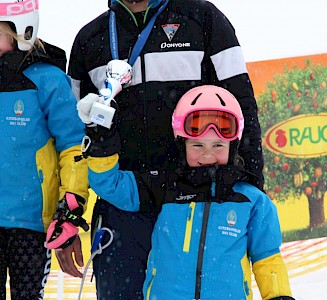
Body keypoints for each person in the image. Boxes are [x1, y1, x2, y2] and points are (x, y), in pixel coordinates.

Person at [61, 0, 265, 298]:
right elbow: (76, 139)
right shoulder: (90, 40)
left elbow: (241, 110)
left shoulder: (202, 19)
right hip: (123, 208)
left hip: (194, 206)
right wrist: (70, 212)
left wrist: (246, 191)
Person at [82, 85, 294, 300]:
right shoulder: (165, 187)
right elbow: (110, 184)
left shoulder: (252, 200)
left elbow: (267, 258)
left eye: (218, 145)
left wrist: (279, 297)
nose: (208, 155)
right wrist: (102, 144)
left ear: (234, 145)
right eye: (198, 146)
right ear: (182, 144)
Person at [0, 0, 89, 299]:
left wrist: (71, 205)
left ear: (20, 31)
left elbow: (73, 146)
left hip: (31, 224)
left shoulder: (47, 80)